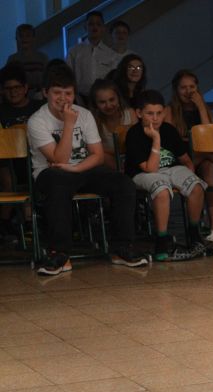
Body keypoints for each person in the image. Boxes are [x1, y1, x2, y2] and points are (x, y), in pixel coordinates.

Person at [27, 65, 149, 274]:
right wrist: (68, 124)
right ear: (46, 93)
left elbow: (98, 155)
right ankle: (59, 254)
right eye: (57, 93)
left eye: (68, 93)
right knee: (58, 184)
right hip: (51, 173)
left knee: (124, 184)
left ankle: (122, 248)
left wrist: (77, 169)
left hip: (83, 168)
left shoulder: (84, 114)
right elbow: (59, 159)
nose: (63, 99)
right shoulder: (37, 121)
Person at [124, 89, 208, 262]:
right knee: (162, 190)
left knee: (196, 186)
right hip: (143, 173)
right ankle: (161, 240)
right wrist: (156, 139)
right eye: (150, 113)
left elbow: (186, 160)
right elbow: (150, 168)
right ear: (139, 113)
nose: (155, 118)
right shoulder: (134, 134)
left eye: (159, 113)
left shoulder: (169, 129)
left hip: (171, 169)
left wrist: (187, 178)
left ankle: (194, 234)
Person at [169, 69, 213, 246]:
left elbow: (209, 138)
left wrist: (200, 107)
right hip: (181, 159)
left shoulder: (203, 109)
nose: (188, 91)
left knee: (211, 168)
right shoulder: (170, 110)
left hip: (202, 157)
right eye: (183, 87)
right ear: (176, 90)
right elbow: (171, 141)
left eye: (192, 87)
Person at [0, 64, 42, 242]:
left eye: (16, 87)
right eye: (8, 89)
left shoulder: (39, 108)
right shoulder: (1, 111)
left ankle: (33, 222)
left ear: (25, 88)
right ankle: (5, 223)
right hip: (8, 162)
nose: (13, 92)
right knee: (7, 174)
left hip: (38, 158)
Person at [66, 11, 119, 102]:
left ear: (103, 28)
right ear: (85, 27)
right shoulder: (74, 51)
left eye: (98, 24)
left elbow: (114, 79)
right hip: (80, 98)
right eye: (91, 24)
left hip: (104, 99)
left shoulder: (111, 54)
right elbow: (68, 76)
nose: (95, 27)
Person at [88, 78, 135, 168]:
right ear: (95, 104)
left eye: (112, 100)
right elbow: (95, 151)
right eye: (102, 102)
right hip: (109, 166)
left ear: (118, 98)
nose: (108, 105)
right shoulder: (93, 121)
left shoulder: (130, 114)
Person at [5, 24, 48, 99]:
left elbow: (47, 79)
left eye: (28, 36)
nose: (24, 39)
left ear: (33, 38)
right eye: (21, 36)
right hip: (18, 97)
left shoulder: (42, 58)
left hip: (39, 97)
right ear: (16, 38)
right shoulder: (12, 59)